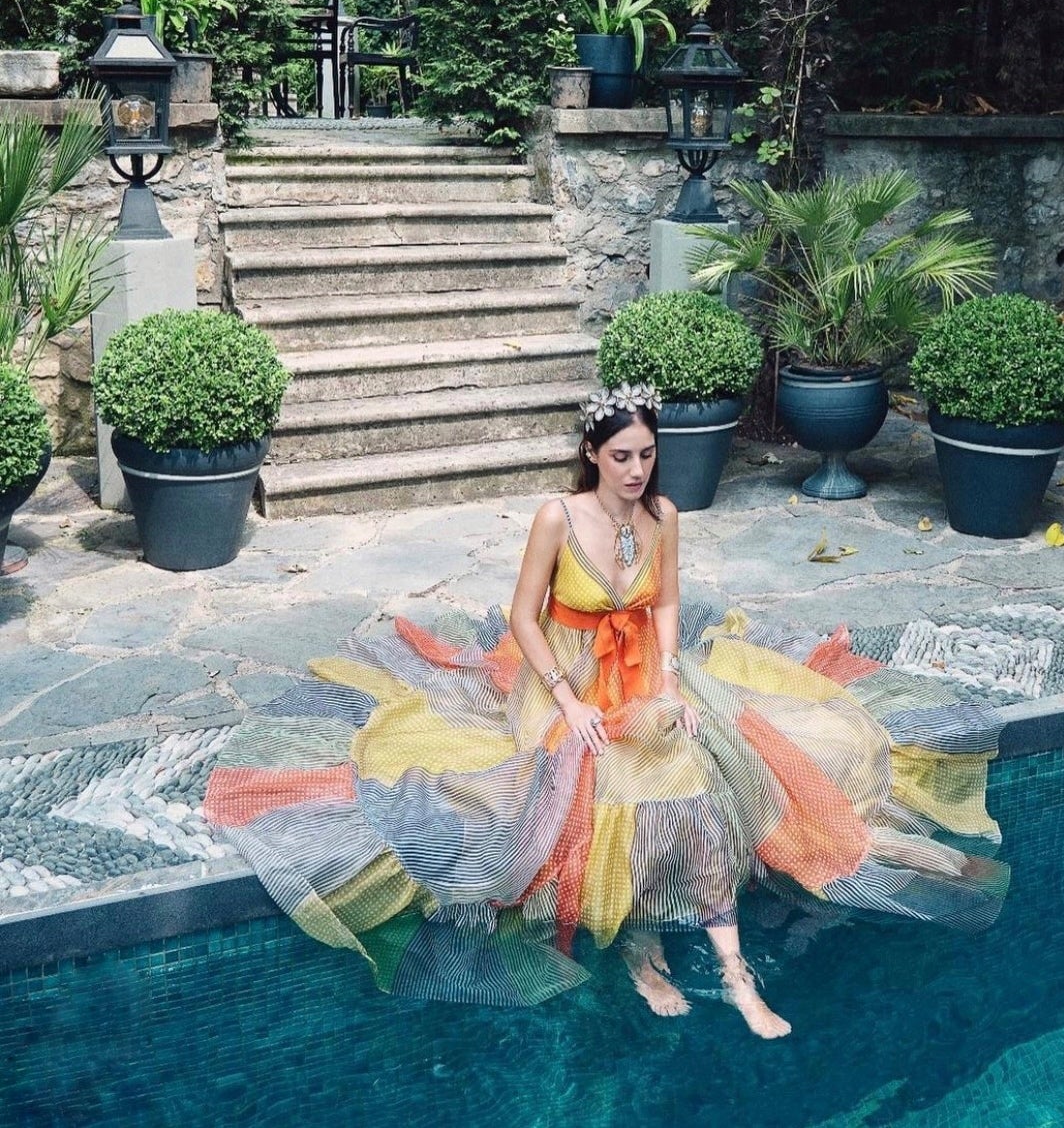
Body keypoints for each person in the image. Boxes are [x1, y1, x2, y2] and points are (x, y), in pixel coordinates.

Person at [207, 383, 1008, 1037]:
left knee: (712, 767)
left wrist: (666, 681)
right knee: (599, 779)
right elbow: (524, 617)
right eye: (621, 455)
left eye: (648, 454)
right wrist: (567, 700)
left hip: (643, 679)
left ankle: (734, 971)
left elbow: (666, 609)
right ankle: (640, 946)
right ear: (592, 453)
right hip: (561, 681)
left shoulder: (664, 517)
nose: (635, 469)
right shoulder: (558, 517)